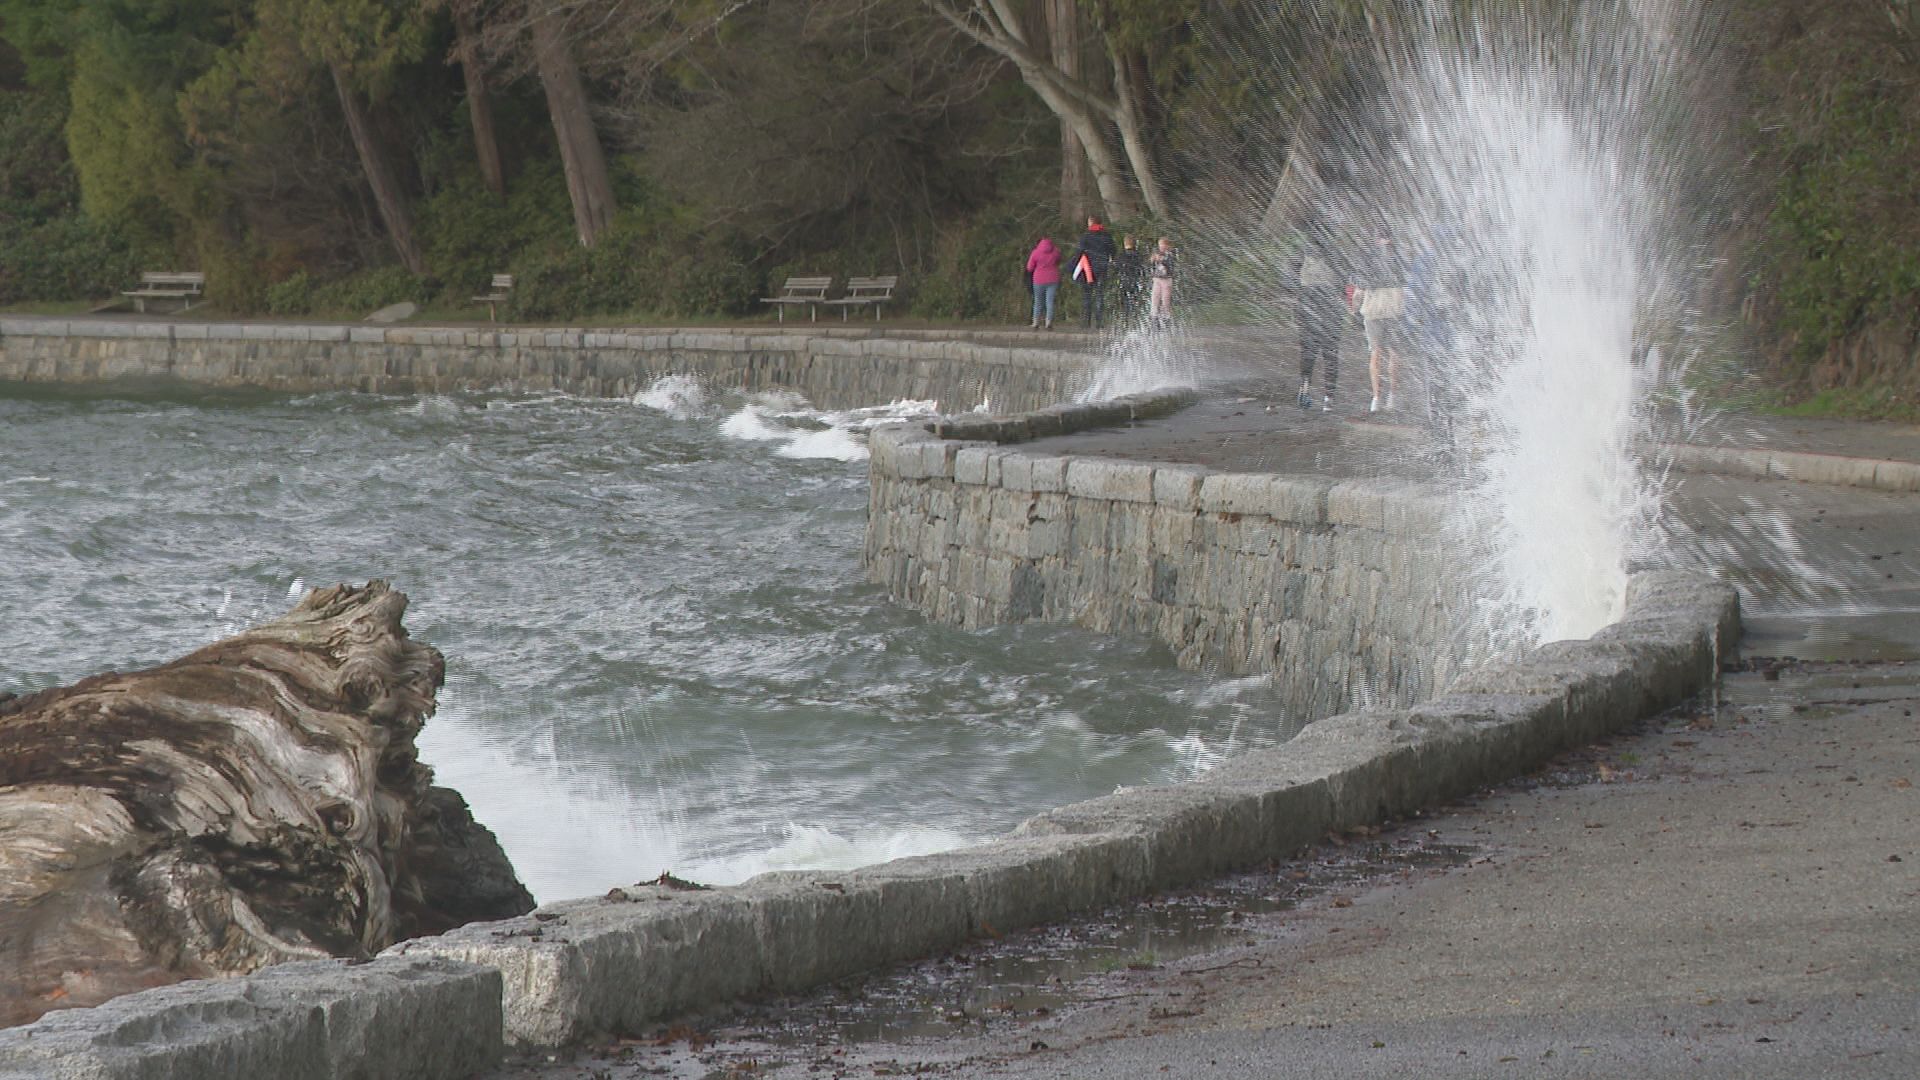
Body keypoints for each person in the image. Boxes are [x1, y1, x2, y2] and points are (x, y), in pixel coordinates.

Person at [1294, 218, 1346, 411]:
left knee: (1308, 353)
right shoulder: (1336, 256)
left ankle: (1305, 388)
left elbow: (1289, 279)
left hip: (1307, 309)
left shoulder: (1301, 255)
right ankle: (1329, 398)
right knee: (1331, 354)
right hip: (1330, 311)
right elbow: (1343, 281)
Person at [1354, 231, 1409, 413]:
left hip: (1373, 310)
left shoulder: (1368, 258)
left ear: (1376, 240)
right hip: (1395, 310)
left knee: (1375, 354)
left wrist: (1354, 309)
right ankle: (1393, 397)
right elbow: (1408, 285)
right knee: (1395, 354)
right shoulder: (1399, 258)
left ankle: (1376, 398)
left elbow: (1359, 292)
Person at [1068, 215, 1117, 329]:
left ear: (1090, 223)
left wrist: (1071, 265)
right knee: (1100, 294)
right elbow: (1113, 250)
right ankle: (1099, 322)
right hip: (1102, 267)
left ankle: (1086, 322)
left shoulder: (1086, 236)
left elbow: (1079, 252)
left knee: (1087, 295)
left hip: (1088, 269)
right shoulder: (1106, 235)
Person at [1025, 235, 1061, 330]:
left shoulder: (1035, 252)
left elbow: (1029, 267)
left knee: (1038, 301)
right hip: (1053, 278)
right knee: (1050, 301)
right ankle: (1048, 322)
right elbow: (1058, 261)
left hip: (1039, 279)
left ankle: (1036, 322)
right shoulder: (1056, 252)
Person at [1114, 235, 1145, 324]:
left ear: (1124, 244)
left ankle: (1126, 318)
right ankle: (1134, 317)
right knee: (1134, 299)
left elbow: (1117, 267)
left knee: (1125, 300)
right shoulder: (1138, 255)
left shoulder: (1121, 255)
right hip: (1135, 280)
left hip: (1124, 281)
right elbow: (1141, 267)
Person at [1148, 236, 1175, 330]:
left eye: (1163, 245)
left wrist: (1161, 259)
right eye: (1160, 245)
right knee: (1155, 297)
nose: (1161, 247)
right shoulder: (1156, 254)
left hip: (1166, 280)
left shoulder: (1170, 254)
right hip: (1157, 279)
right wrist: (1152, 260)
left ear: (1168, 246)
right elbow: (1152, 264)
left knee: (1165, 300)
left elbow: (1169, 262)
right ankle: (1154, 318)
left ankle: (1166, 319)